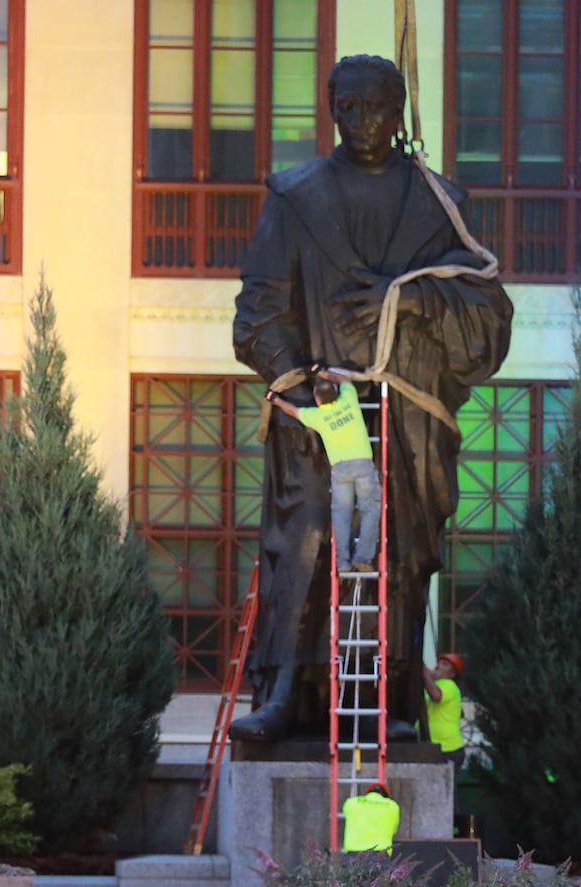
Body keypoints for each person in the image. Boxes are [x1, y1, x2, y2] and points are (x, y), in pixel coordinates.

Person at [230, 54, 512, 742]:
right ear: (331, 109)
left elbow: (487, 319)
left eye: (378, 107)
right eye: (348, 108)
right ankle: (286, 697)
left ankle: (389, 700)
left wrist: (413, 300)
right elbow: (257, 316)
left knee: (400, 554)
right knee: (306, 548)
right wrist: (302, 383)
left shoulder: (440, 203)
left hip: (408, 419)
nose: (363, 122)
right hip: (317, 417)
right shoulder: (295, 198)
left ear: (399, 108)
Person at [264, 372, 381, 574]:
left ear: (317, 400)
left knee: (341, 515)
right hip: (363, 465)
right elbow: (346, 380)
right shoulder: (349, 399)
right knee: (370, 510)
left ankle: (343, 563)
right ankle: (363, 558)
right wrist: (325, 372)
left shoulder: (318, 416)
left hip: (341, 471)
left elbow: (293, 411)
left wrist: (275, 400)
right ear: (336, 393)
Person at [422, 652, 464, 769]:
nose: (438, 666)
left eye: (445, 664)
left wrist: (424, 672)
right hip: (438, 747)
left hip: (447, 749)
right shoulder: (437, 684)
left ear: (452, 674)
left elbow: (436, 696)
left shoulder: (449, 685)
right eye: (439, 663)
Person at [341, 783, 399, 853]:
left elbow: (347, 813)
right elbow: (393, 831)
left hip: (354, 852)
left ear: (367, 793)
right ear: (386, 796)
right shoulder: (392, 806)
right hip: (380, 853)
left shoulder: (351, 802)